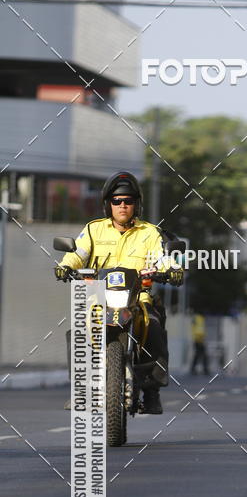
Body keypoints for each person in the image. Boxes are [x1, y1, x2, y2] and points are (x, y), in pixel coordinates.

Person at [54, 171, 183, 414]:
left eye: (128, 200)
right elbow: (78, 253)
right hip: (98, 298)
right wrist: (65, 266)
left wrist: (173, 269)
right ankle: (81, 388)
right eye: (117, 200)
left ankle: (152, 389)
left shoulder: (149, 232)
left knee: (154, 323)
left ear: (137, 204)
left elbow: (162, 257)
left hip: (138, 298)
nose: (123, 205)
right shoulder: (94, 230)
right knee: (78, 329)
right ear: (108, 204)